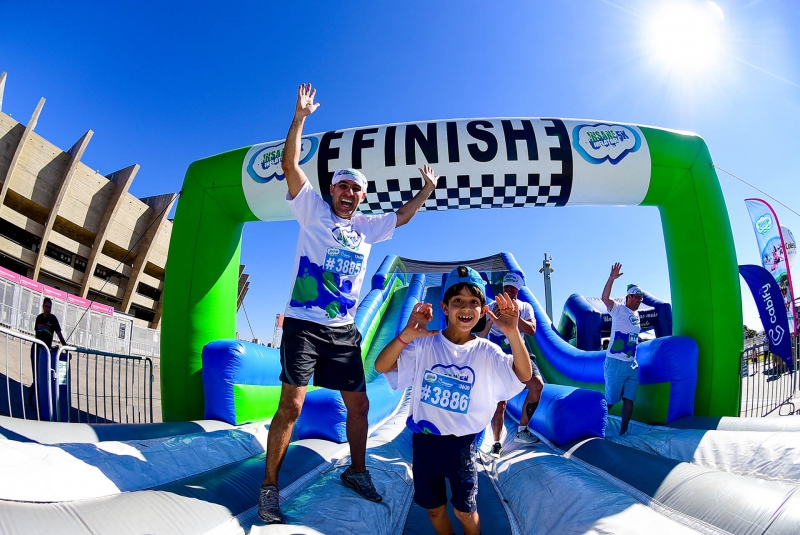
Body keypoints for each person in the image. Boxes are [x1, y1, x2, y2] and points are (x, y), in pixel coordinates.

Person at [258, 83, 438, 525]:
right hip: (303, 323)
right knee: (293, 405)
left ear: (362, 196)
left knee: (359, 406)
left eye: (355, 190)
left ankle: (357, 472)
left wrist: (427, 190)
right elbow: (288, 165)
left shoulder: (368, 227)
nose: (347, 193)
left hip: (343, 332)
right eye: (341, 186)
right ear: (331, 189)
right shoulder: (311, 210)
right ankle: (269, 488)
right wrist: (300, 119)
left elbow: (404, 216)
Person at [375, 266, 531, 535]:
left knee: (465, 511)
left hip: (462, 445)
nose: (465, 307)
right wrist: (407, 335)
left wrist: (513, 333)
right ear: (445, 307)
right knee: (434, 508)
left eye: (473, 301)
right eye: (457, 300)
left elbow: (523, 374)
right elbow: (381, 365)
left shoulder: (486, 351)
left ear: (482, 311)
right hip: (425, 442)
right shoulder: (425, 344)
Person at [477, 272, 542, 458]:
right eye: (506, 287)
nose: (509, 290)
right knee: (500, 403)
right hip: (497, 355)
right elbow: (480, 336)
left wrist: (513, 315)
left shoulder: (525, 306)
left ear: (518, 289)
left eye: (513, 288)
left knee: (537, 385)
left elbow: (531, 330)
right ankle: (496, 444)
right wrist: (491, 318)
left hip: (517, 354)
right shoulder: (490, 306)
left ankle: (522, 429)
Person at [600, 262, 642, 435]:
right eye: (636, 297)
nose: (639, 300)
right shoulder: (618, 309)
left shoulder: (637, 314)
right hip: (615, 363)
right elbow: (604, 298)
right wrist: (611, 278)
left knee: (629, 399)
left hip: (631, 364)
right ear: (628, 297)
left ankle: (623, 432)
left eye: (640, 298)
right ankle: (593, 426)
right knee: (610, 401)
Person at [29, 297, 67, 405]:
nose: (47, 309)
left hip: (46, 352)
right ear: (43, 306)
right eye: (46, 307)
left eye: (49, 307)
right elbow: (37, 335)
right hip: (36, 350)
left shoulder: (53, 319)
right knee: (36, 376)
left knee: (44, 377)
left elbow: (60, 335)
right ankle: (33, 394)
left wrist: (65, 348)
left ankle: (35, 394)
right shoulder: (39, 318)